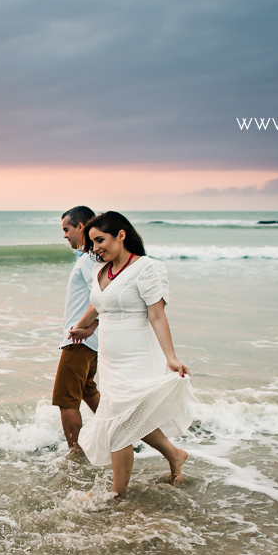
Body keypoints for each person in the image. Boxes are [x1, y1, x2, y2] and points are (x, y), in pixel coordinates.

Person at [68, 212, 196, 495]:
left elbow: (157, 315)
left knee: (118, 424)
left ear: (121, 234)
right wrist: (84, 328)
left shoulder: (146, 268)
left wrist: (171, 357)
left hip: (138, 355)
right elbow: (100, 303)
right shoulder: (100, 270)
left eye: (100, 239)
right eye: (92, 243)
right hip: (111, 359)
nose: (95, 248)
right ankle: (175, 455)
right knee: (130, 415)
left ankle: (118, 492)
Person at [53, 206, 100, 451]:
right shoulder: (90, 258)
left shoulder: (89, 259)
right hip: (89, 342)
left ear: (81, 226)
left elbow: (102, 295)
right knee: (88, 392)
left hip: (78, 342)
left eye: (66, 229)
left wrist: (86, 327)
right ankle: (123, 436)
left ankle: (75, 452)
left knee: (66, 400)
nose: (65, 235)